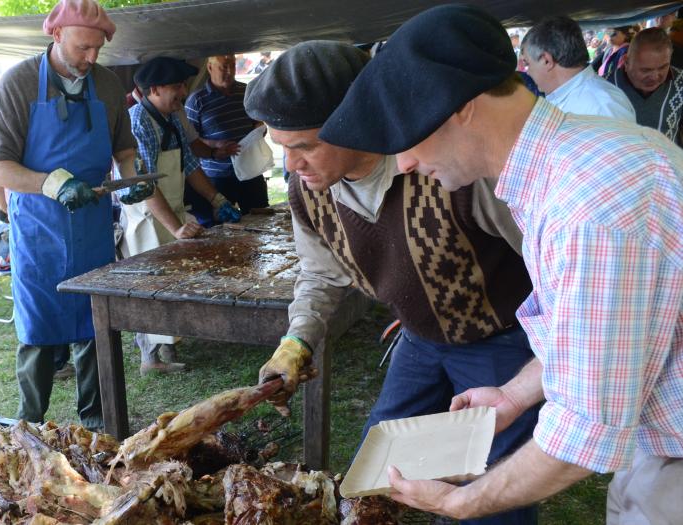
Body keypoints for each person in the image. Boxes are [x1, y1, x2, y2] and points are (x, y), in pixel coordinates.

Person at [321, 5, 682, 523]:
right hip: (659, 443)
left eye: (407, 139)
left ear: (463, 107)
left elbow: (586, 428)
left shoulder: (585, 205)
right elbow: (594, 337)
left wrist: (460, 502)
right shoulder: (574, 163)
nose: (404, 164)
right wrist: (514, 395)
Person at [247, 40, 540, 525]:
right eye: (282, 147)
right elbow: (321, 271)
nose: (291, 166)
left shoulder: (450, 165)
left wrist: (550, 359)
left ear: (354, 121)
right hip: (420, 339)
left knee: (492, 491)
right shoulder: (308, 189)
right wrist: (297, 341)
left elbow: (547, 260)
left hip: (501, 340)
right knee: (371, 478)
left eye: (304, 146)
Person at [0, 0, 153, 432]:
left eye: (98, 49)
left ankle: (100, 424)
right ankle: (29, 427)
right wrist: (54, 184)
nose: (91, 59)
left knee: (94, 328)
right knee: (38, 331)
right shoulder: (18, 83)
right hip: (40, 229)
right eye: (82, 48)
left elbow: (123, 147)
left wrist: (131, 177)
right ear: (56, 36)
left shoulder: (109, 85)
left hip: (93, 227)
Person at [124, 57, 242, 375]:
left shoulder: (173, 117)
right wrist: (175, 228)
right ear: (154, 89)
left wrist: (218, 199)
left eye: (183, 85)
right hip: (147, 217)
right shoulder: (138, 122)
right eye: (176, 86)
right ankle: (149, 358)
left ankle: (168, 346)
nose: (182, 92)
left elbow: (190, 166)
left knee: (172, 281)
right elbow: (145, 184)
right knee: (149, 286)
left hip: (171, 209)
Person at [184, 54, 269, 226]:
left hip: (250, 171)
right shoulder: (196, 101)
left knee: (261, 220)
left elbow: (258, 121)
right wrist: (214, 146)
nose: (229, 71)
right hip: (217, 176)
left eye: (232, 65)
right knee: (220, 225)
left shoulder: (246, 91)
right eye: (224, 67)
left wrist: (259, 128)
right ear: (209, 68)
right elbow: (189, 140)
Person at [520, 16, 635, 121]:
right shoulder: (574, 99)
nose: (527, 72)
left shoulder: (602, 110)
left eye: (527, 64)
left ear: (546, 60)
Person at [611, 27, 683, 146]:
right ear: (626, 62)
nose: (655, 76)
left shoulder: (680, 82)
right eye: (645, 70)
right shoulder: (605, 86)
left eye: (663, 67)